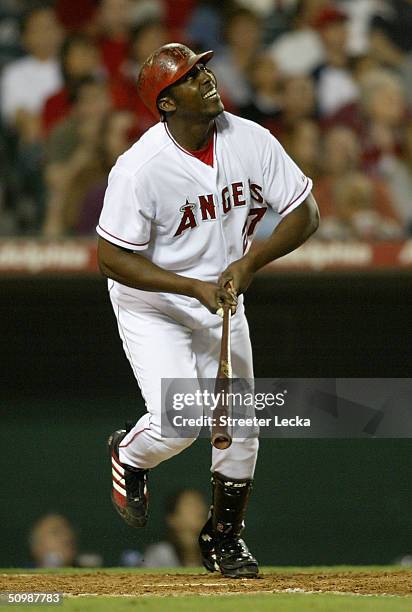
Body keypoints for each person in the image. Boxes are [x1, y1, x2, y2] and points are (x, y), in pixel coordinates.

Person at [98, 43, 319, 579]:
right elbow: (109, 256)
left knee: (240, 420)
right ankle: (130, 454)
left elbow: (305, 213)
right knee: (181, 424)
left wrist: (249, 264)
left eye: (204, 68)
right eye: (191, 76)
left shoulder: (249, 140)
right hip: (155, 302)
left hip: (222, 294)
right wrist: (186, 285)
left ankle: (224, 540)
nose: (207, 77)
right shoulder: (140, 169)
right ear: (167, 103)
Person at [143, 489, 207, 567]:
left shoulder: (217, 554)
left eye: (201, 503)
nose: (200, 509)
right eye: (191, 504)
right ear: (173, 519)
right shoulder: (160, 554)